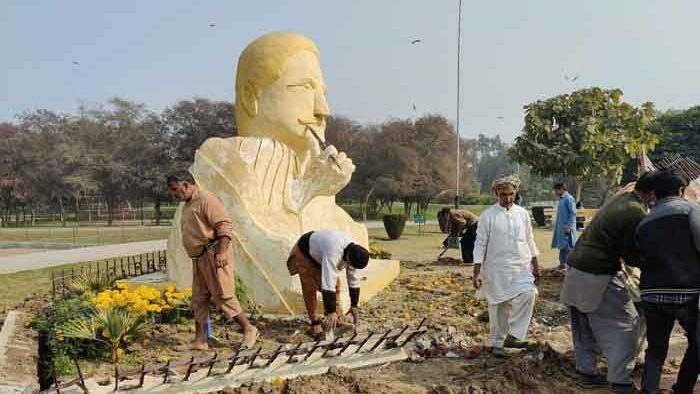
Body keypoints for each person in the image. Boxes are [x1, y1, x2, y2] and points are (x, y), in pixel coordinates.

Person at [560, 171, 656, 393]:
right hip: (598, 273)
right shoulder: (635, 211)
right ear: (652, 193)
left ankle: (586, 372)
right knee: (627, 324)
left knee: (583, 327)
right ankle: (620, 381)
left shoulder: (622, 199)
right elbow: (632, 255)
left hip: (575, 269)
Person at [166, 170, 258, 350]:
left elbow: (223, 225)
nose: (173, 193)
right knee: (199, 299)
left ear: (186, 184)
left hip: (213, 254)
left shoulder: (207, 200)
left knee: (223, 295)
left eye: (175, 189)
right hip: (199, 258)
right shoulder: (189, 204)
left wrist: (222, 252)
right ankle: (200, 341)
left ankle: (249, 328)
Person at [635, 169, 700, 394]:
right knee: (697, 344)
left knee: (656, 349)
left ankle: (649, 390)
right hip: (687, 293)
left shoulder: (644, 221)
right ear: (681, 190)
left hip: (652, 294)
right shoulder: (691, 210)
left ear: (656, 193)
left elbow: (640, 256)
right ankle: (683, 388)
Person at [472, 175, 540, 357]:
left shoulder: (523, 214)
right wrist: (476, 272)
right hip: (496, 268)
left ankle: (514, 335)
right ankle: (497, 343)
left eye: (511, 194)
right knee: (498, 306)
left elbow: (529, 239)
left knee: (529, 294)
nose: (508, 198)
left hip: (521, 267)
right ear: (496, 194)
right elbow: (480, 244)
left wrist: (536, 263)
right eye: (503, 195)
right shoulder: (488, 216)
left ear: (515, 192)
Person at [286, 229, 370, 338]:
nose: (350, 267)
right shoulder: (334, 252)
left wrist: (354, 305)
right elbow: (328, 282)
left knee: (336, 285)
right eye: (350, 264)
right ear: (348, 257)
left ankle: (336, 321)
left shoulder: (355, 253)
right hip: (305, 252)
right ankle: (315, 323)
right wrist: (331, 311)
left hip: (320, 255)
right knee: (310, 286)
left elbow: (353, 279)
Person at [551, 183, 577, 271]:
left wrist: (569, 226)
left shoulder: (568, 198)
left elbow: (573, 213)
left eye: (556, 190)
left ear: (561, 189)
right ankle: (562, 264)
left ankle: (569, 265)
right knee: (562, 246)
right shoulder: (562, 199)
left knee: (568, 247)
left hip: (567, 228)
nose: (555, 192)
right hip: (561, 227)